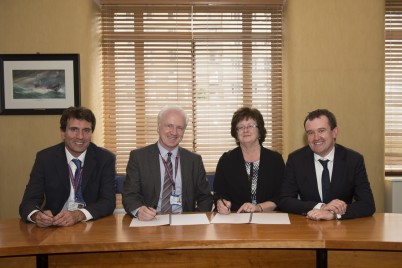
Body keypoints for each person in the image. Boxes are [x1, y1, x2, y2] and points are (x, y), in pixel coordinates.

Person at [19, 107, 116, 227]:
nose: (80, 136)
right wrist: (36, 216)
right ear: (63, 133)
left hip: (91, 224)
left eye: (86, 130)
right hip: (54, 224)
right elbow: (28, 202)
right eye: (74, 129)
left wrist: (78, 214)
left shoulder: (105, 158)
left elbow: (108, 202)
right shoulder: (45, 158)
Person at [280, 109, 376, 220]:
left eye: (321, 131)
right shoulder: (296, 159)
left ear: (334, 132)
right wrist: (321, 207)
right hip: (308, 227)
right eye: (311, 133)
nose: (316, 138)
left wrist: (334, 214)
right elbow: (285, 200)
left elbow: (368, 205)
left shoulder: (353, 160)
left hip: (343, 230)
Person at [122, 105, 213, 221]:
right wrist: (139, 210)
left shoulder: (194, 160)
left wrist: (194, 220)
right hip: (149, 222)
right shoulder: (139, 157)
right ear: (158, 127)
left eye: (179, 128)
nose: (174, 132)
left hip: (184, 224)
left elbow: (205, 198)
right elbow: (130, 195)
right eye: (169, 126)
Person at [213, 107, 285, 214]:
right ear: (235, 133)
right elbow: (219, 193)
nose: (246, 130)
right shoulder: (226, 160)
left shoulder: (275, 160)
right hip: (235, 219)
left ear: (260, 130)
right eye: (241, 127)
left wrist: (259, 207)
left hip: (268, 219)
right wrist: (222, 203)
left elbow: (283, 196)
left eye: (250, 126)